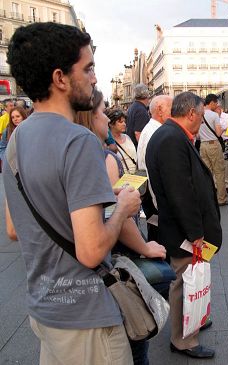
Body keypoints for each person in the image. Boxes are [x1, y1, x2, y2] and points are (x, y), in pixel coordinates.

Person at [4, 22, 140, 364]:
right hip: (86, 316)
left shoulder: (16, 141)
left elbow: (12, 229)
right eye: (88, 68)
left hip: (44, 309)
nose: (94, 78)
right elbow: (92, 251)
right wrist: (122, 207)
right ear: (60, 78)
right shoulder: (78, 141)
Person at [75, 89, 167, 365]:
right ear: (91, 119)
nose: (107, 117)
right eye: (103, 112)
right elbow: (113, 215)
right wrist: (144, 246)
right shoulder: (101, 157)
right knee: (135, 343)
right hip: (110, 258)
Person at [146, 92, 222, 359]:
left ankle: (193, 319)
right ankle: (183, 340)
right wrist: (196, 233)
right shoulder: (171, 139)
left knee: (188, 281)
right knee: (184, 282)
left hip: (180, 227)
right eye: (201, 116)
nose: (202, 122)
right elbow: (181, 192)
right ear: (191, 113)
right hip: (182, 231)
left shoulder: (171, 134)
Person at [136, 95, 173, 242]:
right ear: (160, 110)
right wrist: (159, 206)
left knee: (156, 235)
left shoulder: (153, 129)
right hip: (155, 199)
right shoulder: (155, 132)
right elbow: (152, 171)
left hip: (152, 199)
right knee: (160, 239)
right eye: (172, 108)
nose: (174, 112)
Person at [199, 94, 228, 206]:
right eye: (216, 103)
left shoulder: (199, 114)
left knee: (207, 173)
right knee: (219, 172)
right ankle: (222, 199)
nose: (217, 105)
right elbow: (218, 133)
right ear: (211, 102)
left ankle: (208, 198)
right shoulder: (214, 115)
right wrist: (224, 128)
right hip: (214, 145)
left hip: (203, 145)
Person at [108, 107, 137, 174]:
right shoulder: (109, 143)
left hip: (134, 178)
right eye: (120, 122)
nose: (124, 124)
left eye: (124, 122)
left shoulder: (127, 137)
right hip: (120, 179)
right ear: (111, 124)